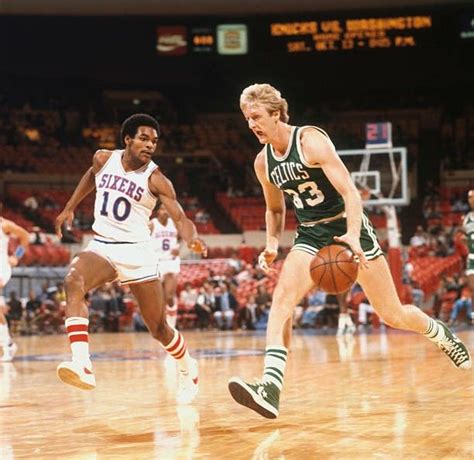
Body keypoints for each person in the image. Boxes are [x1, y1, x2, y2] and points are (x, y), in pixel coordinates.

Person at [227, 83, 472, 419]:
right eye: (246, 118)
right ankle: (270, 387)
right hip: (311, 232)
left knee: (392, 314)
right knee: (282, 296)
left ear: (276, 114)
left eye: (256, 117)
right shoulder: (262, 162)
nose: (251, 124)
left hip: (345, 224)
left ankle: (439, 332)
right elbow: (274, 209)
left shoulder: (310, 140)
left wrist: (353, 235)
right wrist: (271, 245)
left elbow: (351, 193)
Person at [55, 113, 207, 404]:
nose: (150, 145)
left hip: (137, 252)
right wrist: (70, 206)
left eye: (154, 141)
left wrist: (192, 238)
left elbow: (180, 216)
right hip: (103, 246)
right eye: (143, 138)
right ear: (127, 139)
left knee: (158, 328)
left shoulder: (158, 180)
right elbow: (90, 175)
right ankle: (82, 364)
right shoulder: (103, 158)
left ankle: (188, 366)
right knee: (73, 280)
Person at [0, 203, 30, 361]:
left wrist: (16, 256)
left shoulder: (5, 225)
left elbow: (26, 237)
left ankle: (7, 346)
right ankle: (8, 344)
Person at [150, 203, 180, 329]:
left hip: (171, 262)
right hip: (156, 262)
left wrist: (178, 248)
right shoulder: (152, 224)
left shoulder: (175, 224)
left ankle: (171, 326)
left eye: (167, 209)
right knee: (158, 299)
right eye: (163, 209)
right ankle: (161, 324)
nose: (165, 211)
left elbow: (182, 239)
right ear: (158, 212)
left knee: (169, 296)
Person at [462, 190, 474, 318]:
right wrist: (465, 241)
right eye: (469, 198)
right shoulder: (467, 219)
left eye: (472, 197)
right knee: (473, 288)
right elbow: (466, 236)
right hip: (471, 257)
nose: (471, 200)